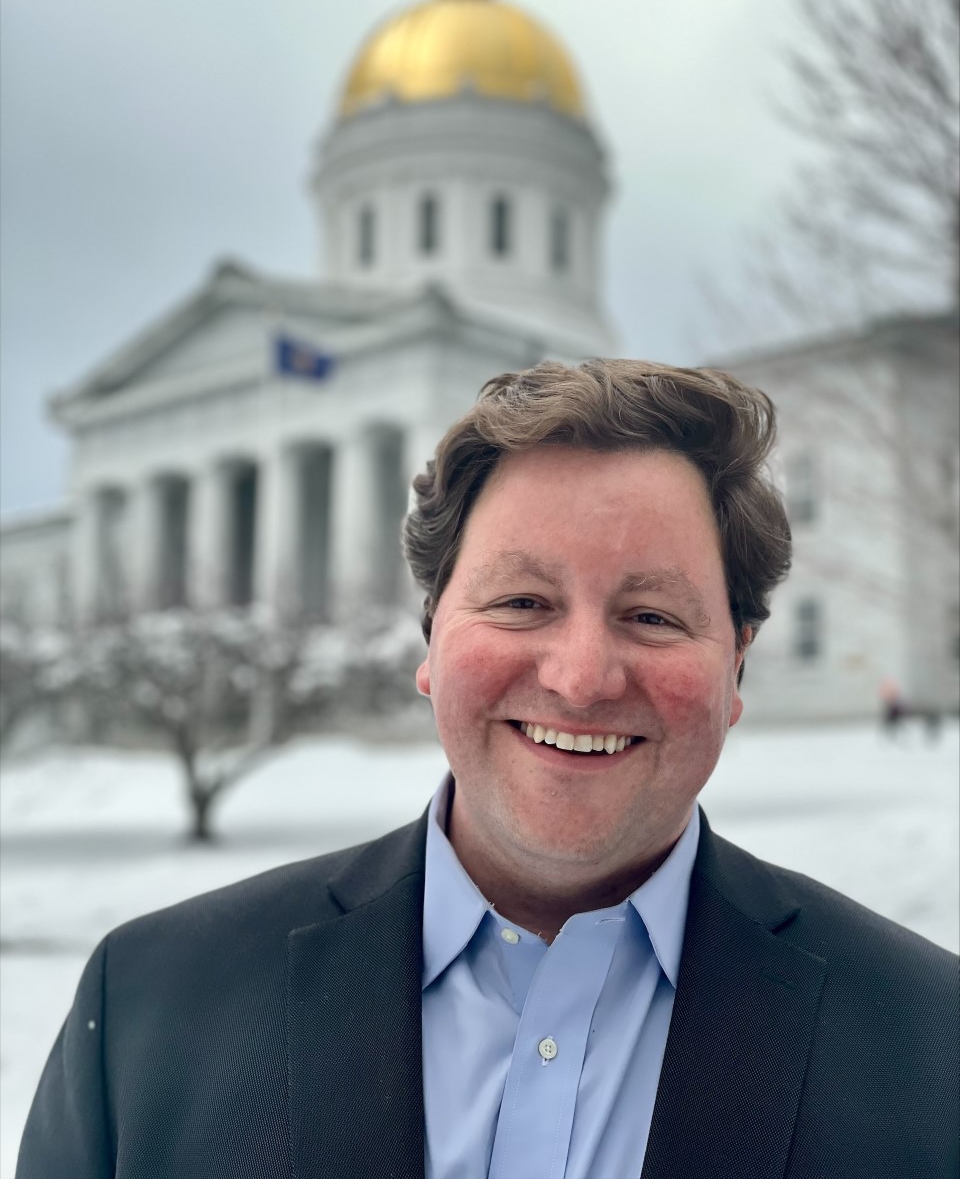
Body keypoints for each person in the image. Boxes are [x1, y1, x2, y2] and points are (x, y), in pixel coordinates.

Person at [17, 359, 958, 1178]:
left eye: (654, 616)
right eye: (521, 601)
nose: (580, 678)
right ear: (431, 639)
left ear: (737, 667)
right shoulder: (148, 1008)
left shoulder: (930, 1046)